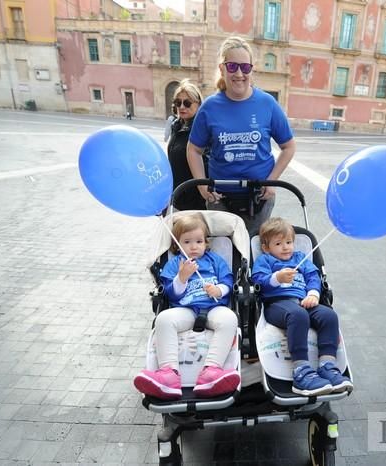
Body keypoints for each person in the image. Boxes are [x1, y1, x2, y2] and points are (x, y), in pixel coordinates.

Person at [187, 36, 296, 235]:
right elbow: (193, 149)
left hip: (259, 198)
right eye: (232, 66)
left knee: (255, 250)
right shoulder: (209, 107)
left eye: (245, 67)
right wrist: (202, 186)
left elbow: (289, 147)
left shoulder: (267, 104)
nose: (239, 74)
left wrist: (271, 182)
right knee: (225, 254)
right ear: (222, 68)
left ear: (251, 69)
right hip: (220, 198)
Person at [133, 214, 240, 399]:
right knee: (164, 319)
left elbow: (228, 282)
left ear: (206, 243)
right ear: (178, 245)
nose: (193, 246)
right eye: (187, 242)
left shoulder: (215, 260)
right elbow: (171, 293)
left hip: (214, 307)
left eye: (199, 241)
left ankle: (212, 370)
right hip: (186, 309)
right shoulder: (176, 264)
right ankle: (168, 374)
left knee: (230, 319)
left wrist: (219, 290)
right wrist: (181, 277)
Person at [252, 218, 353, 396]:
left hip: (304, 301)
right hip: (277, 305)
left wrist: (313, 293)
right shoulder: (265, 260)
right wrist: (276, 278)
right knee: (298, 315)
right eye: (278, 243)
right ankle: (301, 372)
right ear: (266, 247)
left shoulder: (301, 258)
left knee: (329, 316)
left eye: (289, 242)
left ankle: (327, 365)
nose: (286, 247)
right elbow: (258, 280)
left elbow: (313, 276)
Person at [167, 81, 206, 211]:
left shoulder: (203, 130)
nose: (182, 107)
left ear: (199, 104)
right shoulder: (176, 126)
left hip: (195, 201)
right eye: (178, 103)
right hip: (176, 196)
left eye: (187, 103)